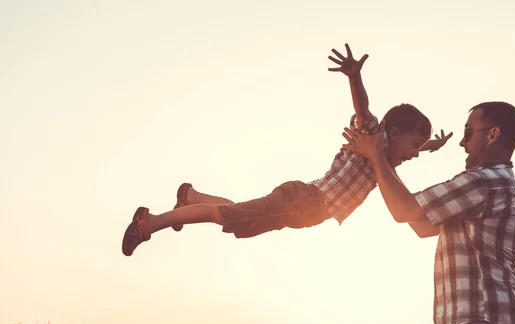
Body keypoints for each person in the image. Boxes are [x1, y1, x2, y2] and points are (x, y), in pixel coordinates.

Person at [121, 44, 453, 257]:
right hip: (303, 200)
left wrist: (431, 146)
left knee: (237, 217)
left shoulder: (385, 162)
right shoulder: (372, 136)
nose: (414, 154)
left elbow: (408, 155)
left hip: (305, 208)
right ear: (393, 134)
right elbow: (363, 109)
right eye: (413, 145)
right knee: (224, 216)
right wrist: (354, 77)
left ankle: (191, 197)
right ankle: (149, 223)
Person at [342, 101, 515, 324]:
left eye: (468, 132)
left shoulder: (482, 183)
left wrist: (377, 155)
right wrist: (385, 163)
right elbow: (421, 225)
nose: (463, 142)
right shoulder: (503, 185)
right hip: (499, 322)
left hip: (477, 321)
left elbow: (404, 211)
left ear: (492, 135)